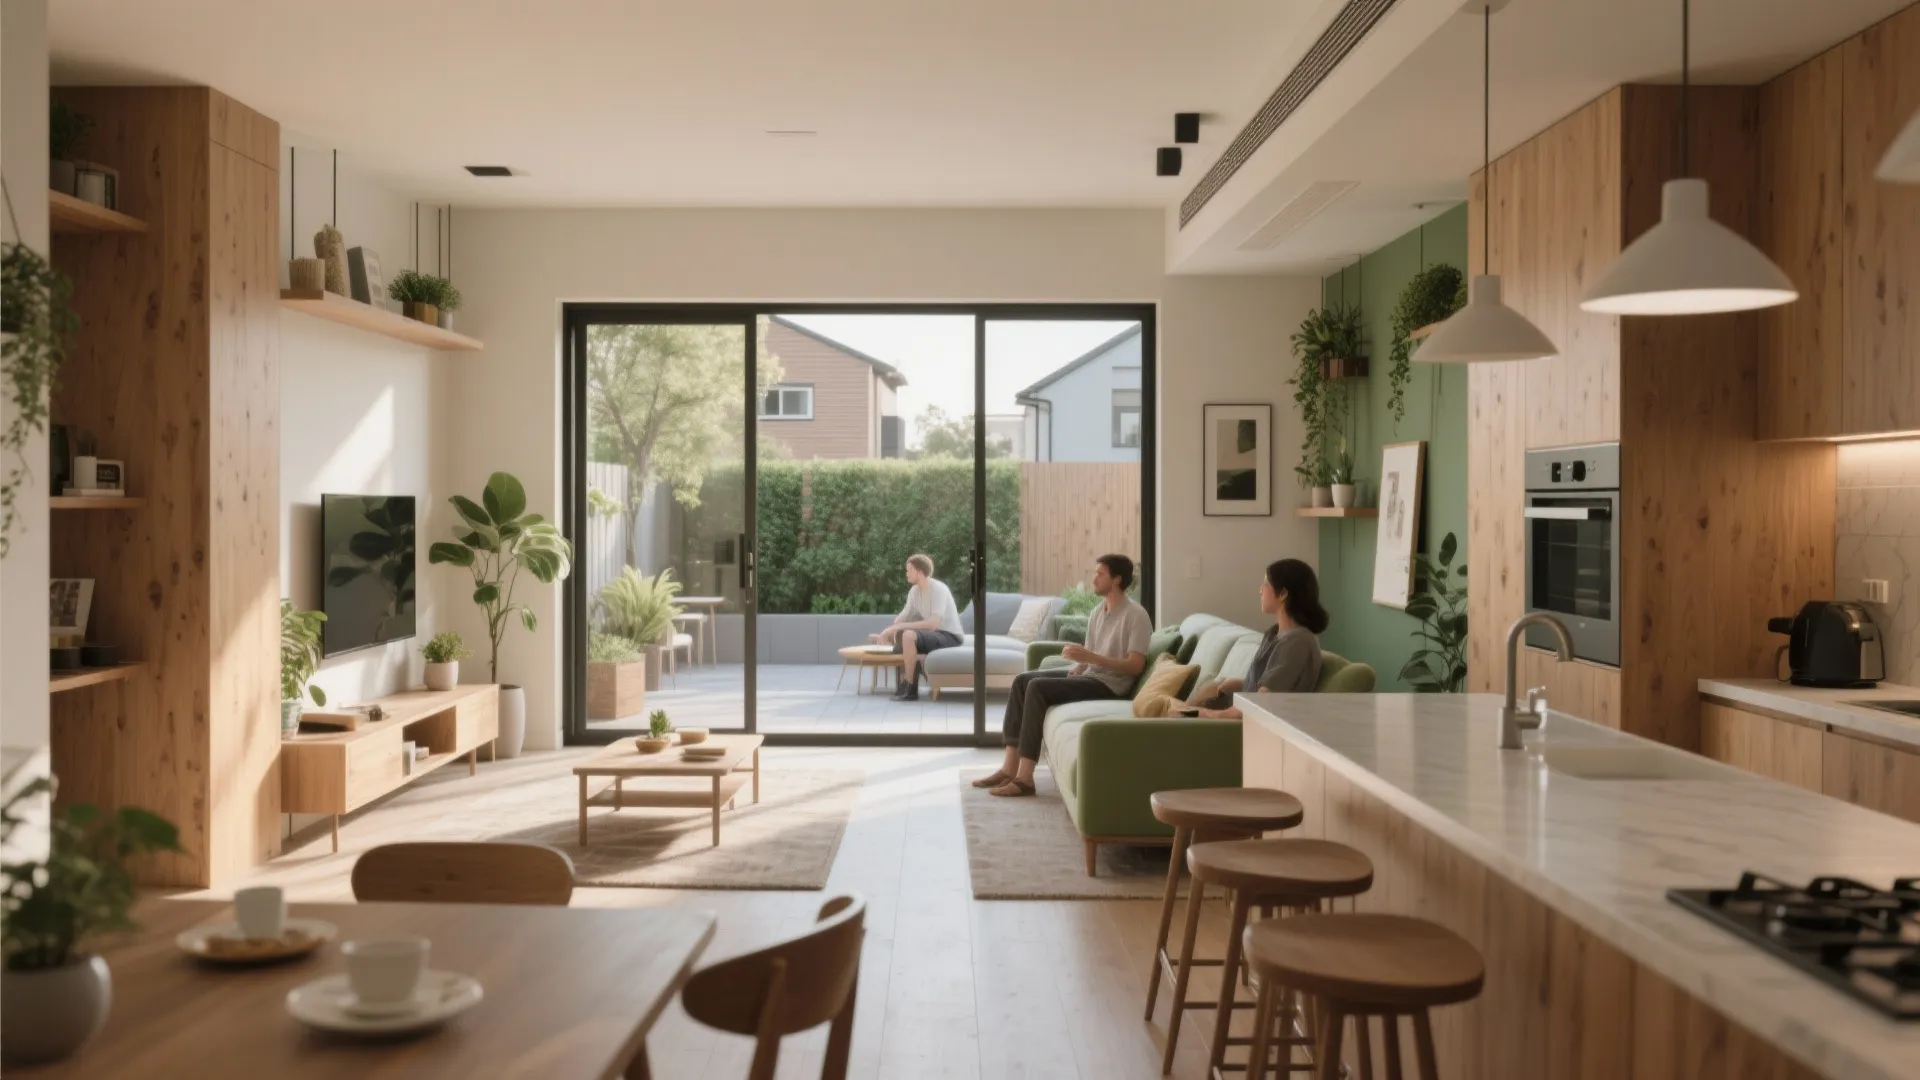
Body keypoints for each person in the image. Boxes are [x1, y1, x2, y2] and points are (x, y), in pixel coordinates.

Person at [973, 554, 1150, 797]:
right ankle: (1008, 768)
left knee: (1037, 687)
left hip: (1111, 685)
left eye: (1100, 574)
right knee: (1022, 681)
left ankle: (1025, 778)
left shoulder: (1136, 615)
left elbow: (1135, 666)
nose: (1094, 578)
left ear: (1117, 579)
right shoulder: (1099, 611)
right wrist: (1078, 668)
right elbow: (1090, 656)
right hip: (1092, 676)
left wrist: (1090, 659)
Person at [1190, 558, 1329, 720]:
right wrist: (1242, 683)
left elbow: (1259, 706)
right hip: (1233, 711)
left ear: (1283, 593)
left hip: (1242, 727)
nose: (1260, 590)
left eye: (1266, 584)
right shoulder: (1275, 634)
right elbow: (1269, 686)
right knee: (1170, 705)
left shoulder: (1298, 642)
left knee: (1169, 709)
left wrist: (1203, 714)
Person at [869, 553, 963, 701]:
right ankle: (905, 678)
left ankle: (910, 688)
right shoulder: (914, 591)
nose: (906, 574)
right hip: (933, 634)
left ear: (919, 572)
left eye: (909, 570)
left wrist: (896, 629)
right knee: (901, 633)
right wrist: (888, 631)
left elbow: (933, 623)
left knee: (908, 635)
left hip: (949, 635)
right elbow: (905, 615)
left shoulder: (939, 589)